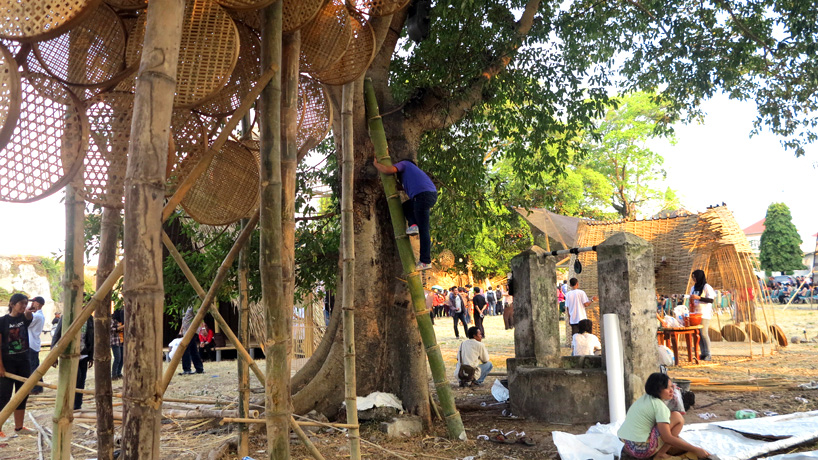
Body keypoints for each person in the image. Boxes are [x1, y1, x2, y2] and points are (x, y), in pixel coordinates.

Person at [618, 373, 710, 459]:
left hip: (626, 444)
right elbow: (667, 438)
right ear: (657, 389)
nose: (671, 390)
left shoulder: (644, 398)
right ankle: (661, 454)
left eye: (672, 387)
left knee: (669, 419)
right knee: (678, 417)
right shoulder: (659, 406)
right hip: (641, 449)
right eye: (667, 388)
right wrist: (695, 449)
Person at [372, 157, 438, 271]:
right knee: (407, 206)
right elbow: (400, 187)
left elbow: (388, 170)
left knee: (424, 230)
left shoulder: (405, 164)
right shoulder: (414, 176)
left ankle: (425, 261)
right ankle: (413, 225)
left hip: (422, 196)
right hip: (428, 195)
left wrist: (376, 164)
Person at [0, 294, 35, 437]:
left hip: (24, 362)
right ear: (12, 304)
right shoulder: (2, 321)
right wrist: (0, 366)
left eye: (25, 303)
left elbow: (29, 316)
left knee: (22, 394)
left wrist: (29, 311)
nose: (23, 306)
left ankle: (19, 427)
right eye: (21, 303)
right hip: (8, 363)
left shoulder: (24, 319)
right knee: (4, 396)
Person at [52, 314, 94, 410]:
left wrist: (91, 356)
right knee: (75, 378)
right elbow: (57, 335)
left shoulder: (89, 318)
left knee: (81, 380)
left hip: (84, 353)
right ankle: (68, 403)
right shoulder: (67, 316)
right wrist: (54, 355)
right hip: (69, 355)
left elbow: (92, 337)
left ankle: (77, 405)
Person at [689, 269, 715, 361]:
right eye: (693, 277)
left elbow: (711, 300)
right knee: (698, 334)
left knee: (704, 333)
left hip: (704, 314)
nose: (694, 279)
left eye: (695, 277)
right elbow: (691, 298)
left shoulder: (706, 287)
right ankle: (703, 353)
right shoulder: (693, 288)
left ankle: (708, 353)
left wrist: (699, 298)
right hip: (695, 314)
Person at [27, 296, 45, 395]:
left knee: (32, 367)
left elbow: (27, 323)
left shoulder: (36, 316)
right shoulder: (39, 315)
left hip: (31, 343)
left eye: (33, 302)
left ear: (37, 303)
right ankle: (39, 386)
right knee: (34, 366)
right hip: (34, 343)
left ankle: (36, 388)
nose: (31, 304)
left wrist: (27, 311)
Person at [179, 306, 204, 375]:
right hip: (186, 331)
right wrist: (181, 330)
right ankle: (199, 368)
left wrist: (203, 328)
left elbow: (199, 317)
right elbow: (184, 320)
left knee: (185, 349)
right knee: (193, 350)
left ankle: (187, 369)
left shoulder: (193, 306)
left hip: (192, 331)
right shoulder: (184, 306)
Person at [110, 308, 124, 380]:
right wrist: (122, 327)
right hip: (115, 341)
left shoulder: (122, 320)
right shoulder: (113, 320)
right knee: (117, 358)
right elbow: (111, 329)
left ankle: (119, 372)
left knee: (122, 358)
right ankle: (114, 374)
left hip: (122, 341)